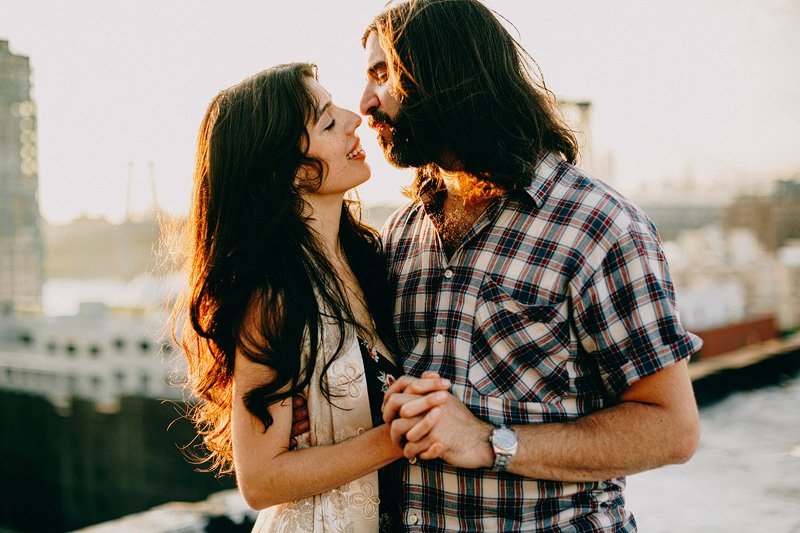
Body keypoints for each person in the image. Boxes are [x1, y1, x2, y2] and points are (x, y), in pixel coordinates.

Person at [356, 0, 703, 530]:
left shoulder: (601, 228)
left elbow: (672, 429)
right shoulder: (402, 233)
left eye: (383, 74)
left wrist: (488, 442)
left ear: (444, 73)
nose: (365, 102)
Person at [176, 62, 447, 532]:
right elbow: (259, 480)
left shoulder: (367, 259)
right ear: (289, 170)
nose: (354, 118)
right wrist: (397, 438)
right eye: (327, 120)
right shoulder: (275, 295)